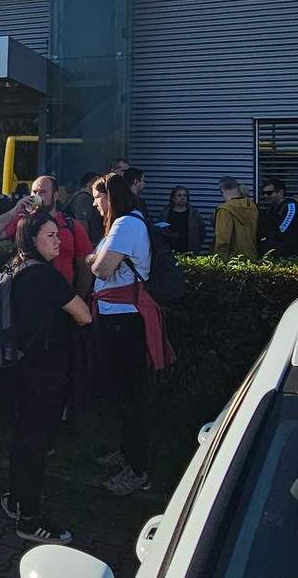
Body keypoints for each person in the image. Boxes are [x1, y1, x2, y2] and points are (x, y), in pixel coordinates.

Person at [0, 211, 93, 544]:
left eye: (58, 234)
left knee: (23, 438)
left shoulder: (15, 265)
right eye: (50, 236)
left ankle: (15, 499)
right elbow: (84, 315)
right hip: (44, 371)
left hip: (16, 365)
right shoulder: (46, 275)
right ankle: (29, 519)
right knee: (35, 445)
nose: (59, 241)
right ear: (32, 239)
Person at [87, 171, 172, 496]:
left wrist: (93, 258)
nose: (95, 204)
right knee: (123, 392)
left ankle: (137, 470)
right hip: (118, 317)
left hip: (125, 320)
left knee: (132, 394)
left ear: (111, 196)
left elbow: (101, 268)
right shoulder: (126, 223)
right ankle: (126, 453)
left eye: (98, 198)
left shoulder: (125, 225)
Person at [0, 175, 95, 292]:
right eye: (34, 192)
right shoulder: (23, 221)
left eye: (43, 192)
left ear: (55, 196)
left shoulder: (71, 225)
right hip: (27, 291)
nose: (38, 196)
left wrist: (80, 296)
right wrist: (15, 211)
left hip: (62, 295)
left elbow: (84, 265)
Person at [255, 178, 298, 258]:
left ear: (281, 192)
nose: (265, 196)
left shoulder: (291, 208)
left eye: (269, 193)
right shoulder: (270, 210)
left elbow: (283, 229)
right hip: (278, 254)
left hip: (292, 254)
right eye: (263, 193)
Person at [212, 176, 260, 260]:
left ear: (221, 190)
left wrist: (218, 260)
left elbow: (222, 241)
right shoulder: (253, 206)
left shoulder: (224, 210)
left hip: (233, 260)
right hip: (253, 258)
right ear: (237, 187)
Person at [69, 171, 104, 242]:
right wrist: (87, 244)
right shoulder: (84, 197)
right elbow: (82, 223)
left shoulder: (87, 198)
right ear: (90, 183)